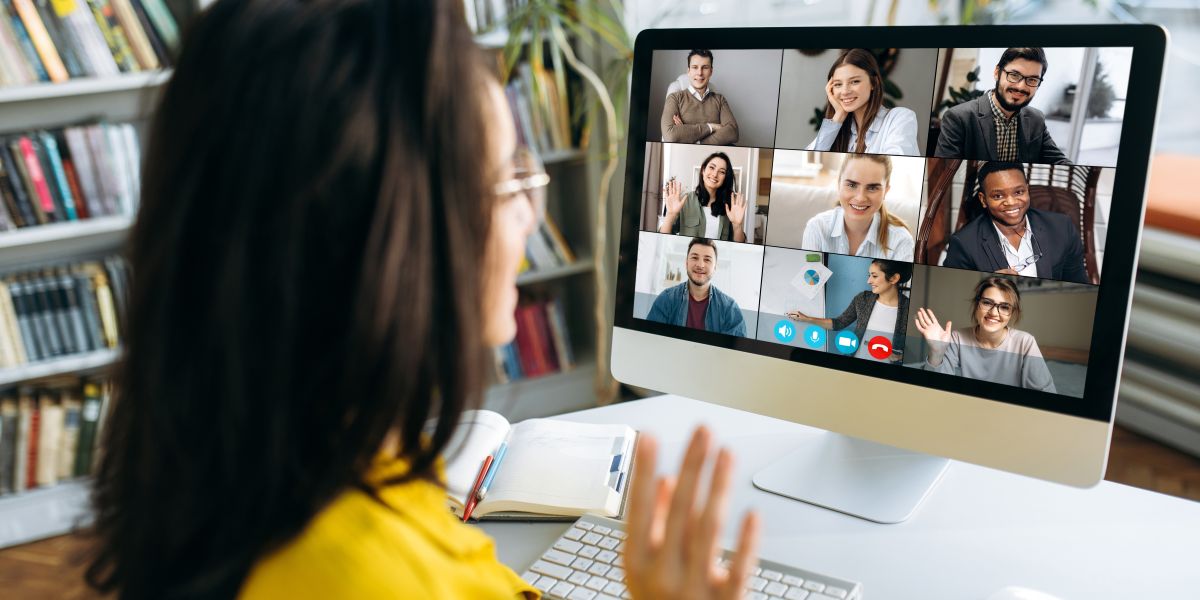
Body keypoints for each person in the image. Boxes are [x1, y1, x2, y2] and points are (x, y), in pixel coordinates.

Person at [84, 1, 759, 598]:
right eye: (507, 183)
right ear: (384, 246)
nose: (530, 214)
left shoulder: (281, 466)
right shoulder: (361, 576)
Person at [943, 162, 1090, 283]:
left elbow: (1079, 282)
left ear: (1027, 189)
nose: (1011, 202)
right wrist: (988, 283)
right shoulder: (963, 244)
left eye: (1019, 192)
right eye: (998, 196)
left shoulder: (1062, 227)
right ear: (983, 200)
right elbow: (953, 291)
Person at [914, 277, 1057, 392]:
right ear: (977, 306)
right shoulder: (958, 338)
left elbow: (1046, 394)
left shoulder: (1025, 343)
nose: (994, 313)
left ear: (1012, 313)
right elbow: (935, 389)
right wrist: (937, 352)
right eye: (987, 303)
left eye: (1004, 307)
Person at [935, 47, 1070, 164]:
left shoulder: (1036, 119)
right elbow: (944, 172)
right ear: (997, 72)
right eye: (1014, 75)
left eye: (1032, 80)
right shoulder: (958, 118)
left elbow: (1057, 160)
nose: (1021, 86)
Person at [786, 259, 911, 362]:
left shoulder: (909, 309)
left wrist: (900, 356)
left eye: (874, 276)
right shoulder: (863, 299)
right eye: (869, 276)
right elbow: (839, 322)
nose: (869, 281)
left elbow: (916, 348)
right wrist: (807, 319)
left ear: (894, 278)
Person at [806, 48, 920, 156]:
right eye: (838, 84)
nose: (845, 91)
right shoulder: (841, 129)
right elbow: (811, 163)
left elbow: (895, 167)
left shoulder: (900, 118)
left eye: (855, 81)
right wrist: (838, 116)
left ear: (873, 83)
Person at [801, 154, 914, 260]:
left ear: (886, 191)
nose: (860, 198)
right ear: (838, 184)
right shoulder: (817, 228)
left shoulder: (901, 241)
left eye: (872, 188)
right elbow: (810, 278)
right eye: (852, 185)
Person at [646, 238, 747, 337]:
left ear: (715, 267)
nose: (700, 265)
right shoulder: (666, 299)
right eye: (694, 258)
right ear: (686, 263)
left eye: (707, 260)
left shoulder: (729, 308)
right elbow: (651, 340)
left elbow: (734, 350)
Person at [658, 151, 749, 243]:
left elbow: (738, 244)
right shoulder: (685, 200)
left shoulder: (730, 207)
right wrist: (671, 215)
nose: (714, 174)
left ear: (726, 178)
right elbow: (663, 240)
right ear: (703, 170)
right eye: (712, 167)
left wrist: (737, 225)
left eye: (722, 172)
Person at [660, 49, 740, 145]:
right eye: (695, 67)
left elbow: (733, 133)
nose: (700, 73)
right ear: (688, 71)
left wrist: (691, 138)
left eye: (705, 67)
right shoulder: (675, 98)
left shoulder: (719, 99)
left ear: (711, 71)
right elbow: (670, 135)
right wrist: (711, 127)